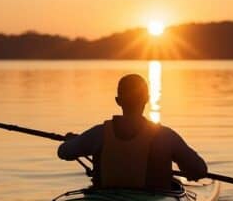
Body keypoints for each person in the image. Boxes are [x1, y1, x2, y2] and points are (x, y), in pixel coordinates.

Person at [57, 73, 207, 189]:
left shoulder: (98, 134)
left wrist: (76, 142)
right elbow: (199, 169)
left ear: (118, 101)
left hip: (104, 199)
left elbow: (63, 152)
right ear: (147, 99)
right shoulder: (165, 136)